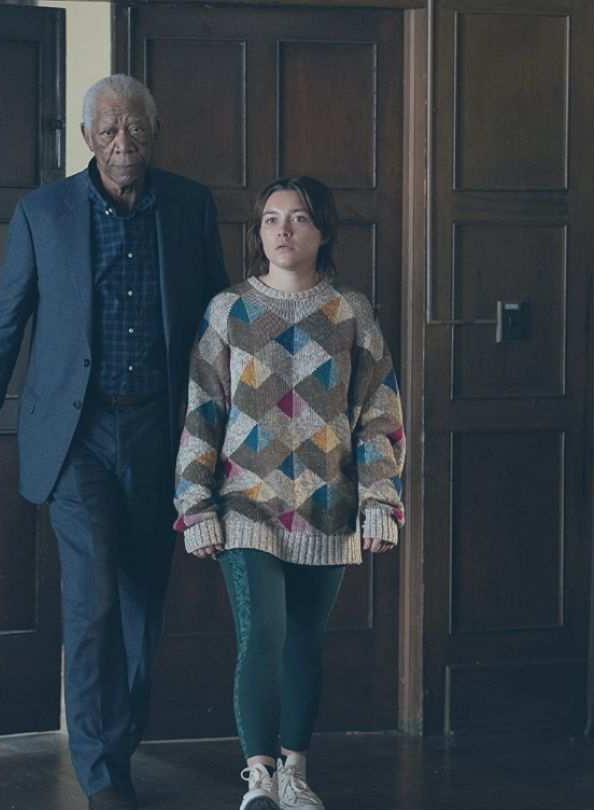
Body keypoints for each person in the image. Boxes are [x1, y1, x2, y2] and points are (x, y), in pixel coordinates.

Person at [0, 74, 230, 810]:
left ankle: (121, 732)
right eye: (107, 131)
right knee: (95, 602)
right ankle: (103, 775)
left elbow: (219, 327)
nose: (122, 143)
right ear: (85, 139)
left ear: (154, 131)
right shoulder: (42, 212)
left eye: (134, 128)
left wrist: (234, 431)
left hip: (162, 433)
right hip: (75, 438)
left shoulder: (191, 205)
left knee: (144, 612)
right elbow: (4, 323)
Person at [173, 176, 405, 810]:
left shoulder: (352, 312)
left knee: (306, 641)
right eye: (271, 219)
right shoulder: (229, 310)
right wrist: (194, 505)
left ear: (323, 231)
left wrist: (380, 501)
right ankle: (260, 779)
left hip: (329, 507)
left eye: (299, 219)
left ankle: (296, 773)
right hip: (245, 503)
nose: (282, 230)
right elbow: (203, 409)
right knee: (265, 637)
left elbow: (378, 413)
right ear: (258, 234)